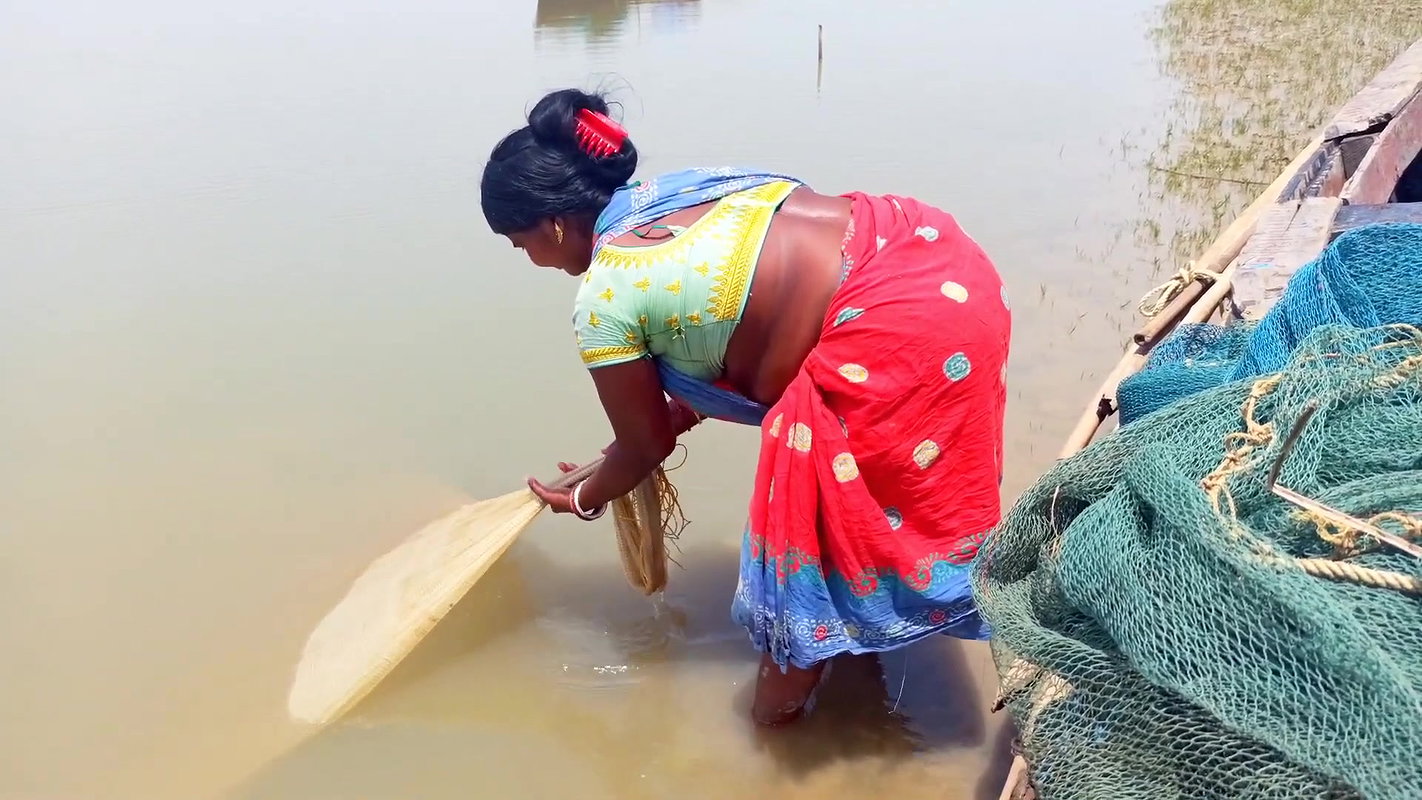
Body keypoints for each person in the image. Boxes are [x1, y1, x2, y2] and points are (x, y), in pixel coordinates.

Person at [480, 89, 1010, 724]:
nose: (530, 259)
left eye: (520, 244)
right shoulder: (680, 194)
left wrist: (590, 496)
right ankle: (862, 675)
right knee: (852, 540)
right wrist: (657, 426)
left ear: (553, 224)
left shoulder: (604, 298)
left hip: (897, 336)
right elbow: (743, 318)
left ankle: (778, 738)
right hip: (928, 254)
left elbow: (646, 446)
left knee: (800, 591)